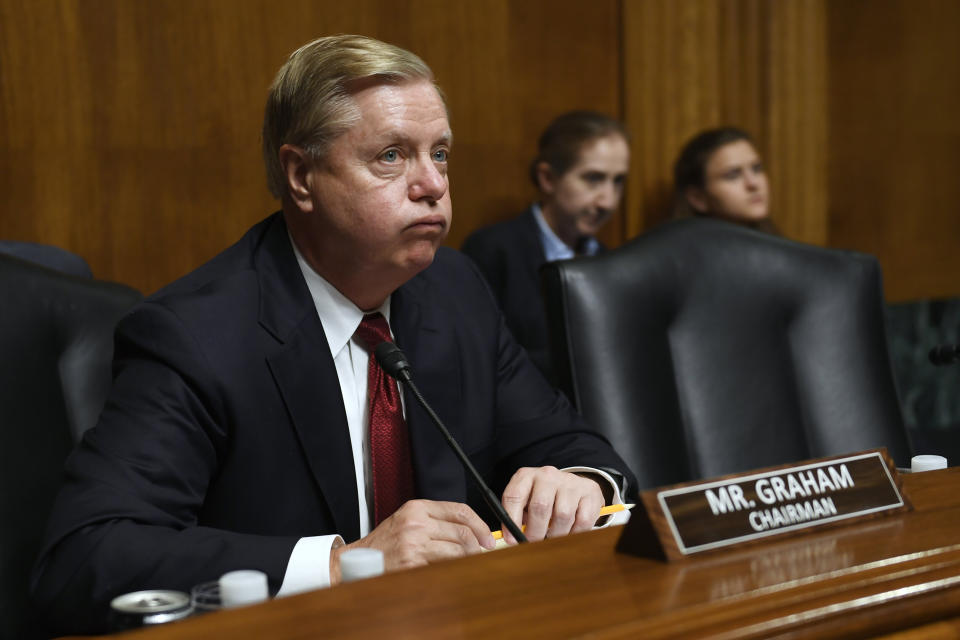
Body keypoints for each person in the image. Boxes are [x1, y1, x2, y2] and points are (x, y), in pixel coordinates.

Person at [29, 35, 635, 634]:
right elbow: (86, 558)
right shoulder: (196, 335)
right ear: (300, 175)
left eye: (441, 153)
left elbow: (583, 451)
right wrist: (342, 565)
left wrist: (576, 484)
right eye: (392, 156)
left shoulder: (455, 290)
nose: (433, 184)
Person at [461, 111, 630, 382]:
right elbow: (482, 359)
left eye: (618, 181)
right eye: (593, 179)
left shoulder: (609, 261)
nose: (607, 202)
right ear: (547, 179)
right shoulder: (494, 250)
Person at [671, 126, 776, 233]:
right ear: (698, 198)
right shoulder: (679, 248)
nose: (753, 183)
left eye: (757, 169)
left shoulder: (778, 245)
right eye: (733, 175)